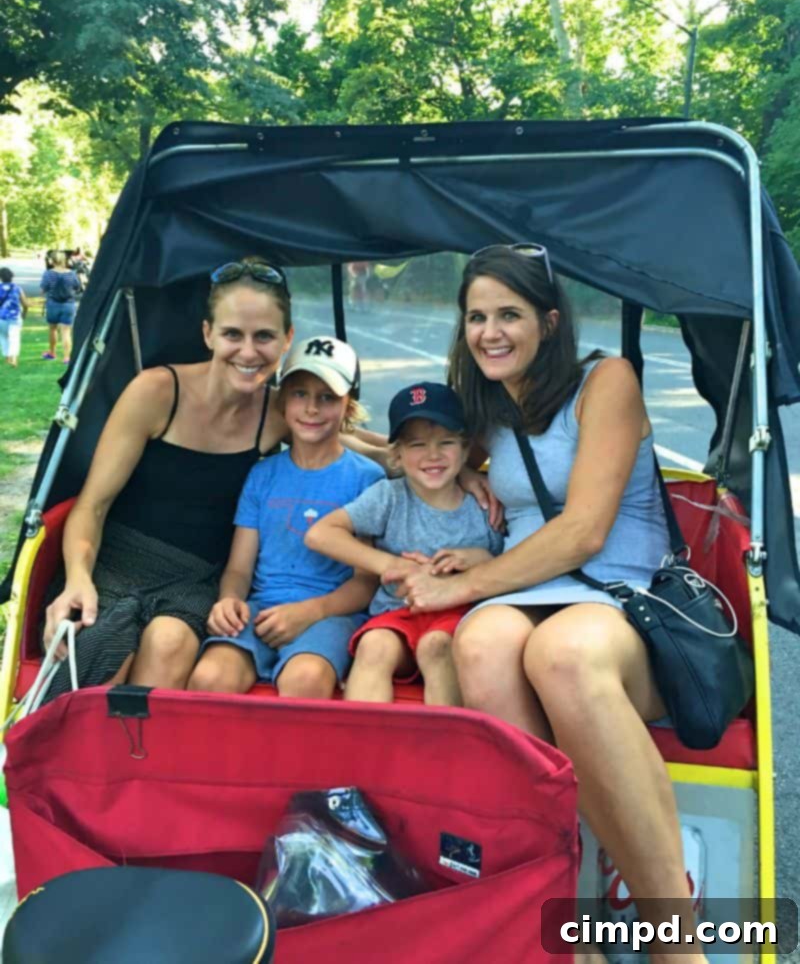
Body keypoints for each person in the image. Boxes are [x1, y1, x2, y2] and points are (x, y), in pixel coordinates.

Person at [390, 244, 705, 961]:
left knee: (561, 654)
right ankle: (564, 921)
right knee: (481, 646)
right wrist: (464, 481)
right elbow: (416, 448)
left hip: (620, 592)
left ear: (550, 321)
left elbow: (584, 530)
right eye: (477, 317)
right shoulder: (489, 403)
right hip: (532, 586)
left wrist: (465, 584)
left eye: (509, 314)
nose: (490, 332)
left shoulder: (606, 381)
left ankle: (677, 941)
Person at [42, 258, 296, 700]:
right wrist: (77, 579)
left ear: (287, 339)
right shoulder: (156, 391)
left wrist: (423, 453)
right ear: (208, 334)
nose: (248, 352)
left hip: (195, 580)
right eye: (232, 334)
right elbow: (92, 506)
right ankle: (82, 738)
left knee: (170, 642)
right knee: (104, 644)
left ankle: (140, 746)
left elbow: (356, 443)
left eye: (264, 336)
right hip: (115, 563)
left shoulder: (277, 413)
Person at [188, 335, 384, 698]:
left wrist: (310, 611)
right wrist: (229, 600)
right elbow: (239, 569)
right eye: (299, 394)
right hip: (262, 607)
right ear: (281, 399)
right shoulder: (262, 474)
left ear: (349, 405)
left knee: (304, 680)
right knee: (210, 678)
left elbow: (365, 581)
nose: (311, 409)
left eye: (327, 397)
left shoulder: (366, 479)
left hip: (331, 612)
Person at [306, 382, 503, 707]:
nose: (433, 455)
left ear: (466, 449)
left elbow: (510, 566)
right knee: (374, 646)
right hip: (397, 612)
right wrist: (392, 565)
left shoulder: (485, 502)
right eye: (417, 444)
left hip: (458, 614)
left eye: (446, 442)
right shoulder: (389, 497)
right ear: (396, 455)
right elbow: (320, 533)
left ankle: (443, 738)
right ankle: (364, 738)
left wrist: (481, 558)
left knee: (436, 646)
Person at [40, 250, 81, 362]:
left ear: (52, 261)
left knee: (52, 329)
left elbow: (43, 289)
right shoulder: (72, 274)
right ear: (65, 260)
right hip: (68, 304)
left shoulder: (48, 274)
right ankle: (67, 357)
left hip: (53, 304)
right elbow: (77, 287)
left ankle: (52, 353)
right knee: (66, 331)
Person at [0, 267, 29, 368]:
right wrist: (24, 313)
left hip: (1, 317)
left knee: (3, 337)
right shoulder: (17, 288)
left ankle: (7, 357)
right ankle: (14, 359)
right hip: (15, 317)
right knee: (14, 337)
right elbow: (25, 304)